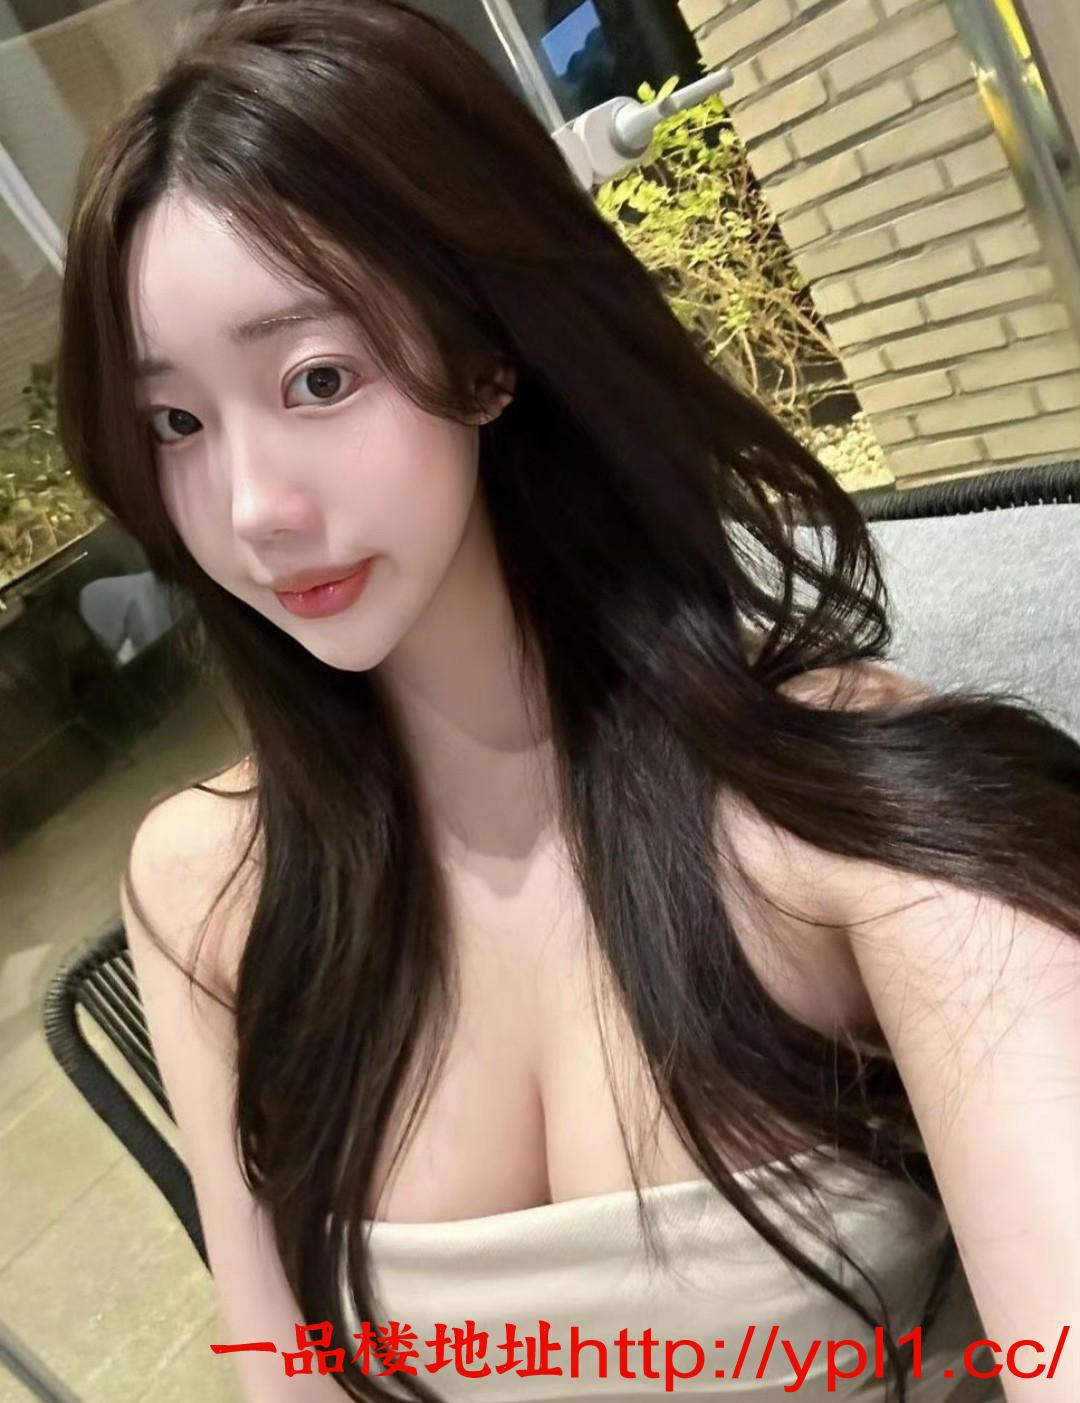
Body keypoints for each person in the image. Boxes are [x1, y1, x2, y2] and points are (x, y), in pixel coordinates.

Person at [54, 0, 1078, 1400]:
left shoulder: (844, 819)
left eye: (318, 379)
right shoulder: (203, 889)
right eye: (176, 422)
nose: (250, 509)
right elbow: (282, 1369)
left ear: (489, 355)